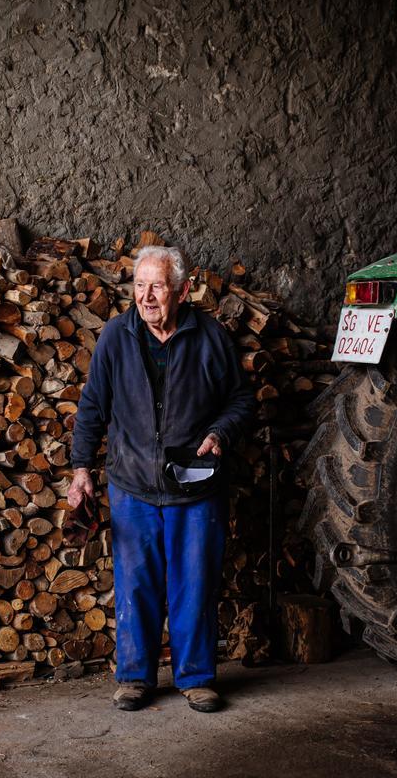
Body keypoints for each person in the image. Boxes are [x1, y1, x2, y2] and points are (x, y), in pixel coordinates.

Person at [67, 245, 255, 713]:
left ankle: (196, 678)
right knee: (136, 584)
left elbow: (241, 402)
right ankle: (135, 678)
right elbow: (93, 407)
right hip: (132, 482)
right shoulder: (116, 336)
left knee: (194, 583)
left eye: (157, 286)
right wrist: (80, 470)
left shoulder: (210, 338)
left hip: (195, 486)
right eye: (139, 286)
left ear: (183, 290)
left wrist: (219, 432)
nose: (146, 296)